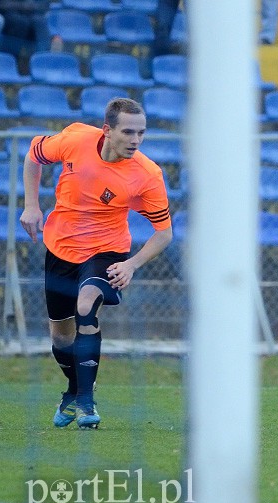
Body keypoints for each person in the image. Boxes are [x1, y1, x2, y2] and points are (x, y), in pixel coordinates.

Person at [20, 98, 173, 430]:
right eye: (128, 132)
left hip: (106, 251)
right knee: (61, 336)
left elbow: (164, 233)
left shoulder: (147, 174)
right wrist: (32, 206)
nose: (135, 140)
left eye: (141, 133)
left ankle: (87, 404)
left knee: (86, 304)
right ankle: (75, 391)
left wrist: (132, 264)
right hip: (60, 248)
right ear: (108, 130)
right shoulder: (76, 141)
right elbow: (33, 155)